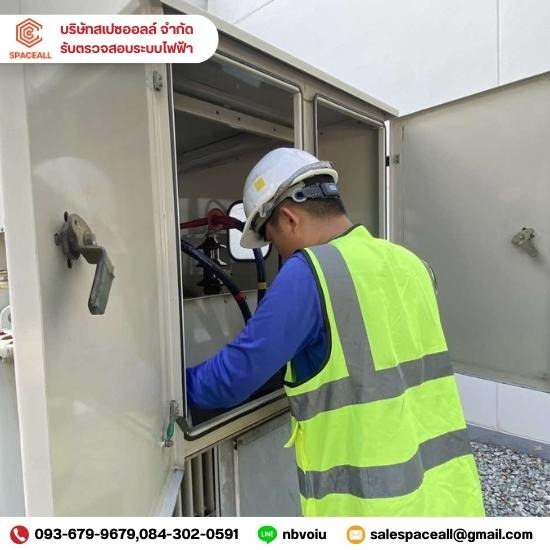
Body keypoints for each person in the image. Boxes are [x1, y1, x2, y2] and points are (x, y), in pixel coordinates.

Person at [186, 147, 485, 517]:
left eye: (273, 240)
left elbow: (231, 380)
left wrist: (161, 389)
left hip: (373, 508)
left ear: (289, 218)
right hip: (447, 496)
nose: (279, 252)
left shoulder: (309, 273)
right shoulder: (411, 263)